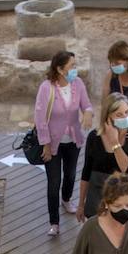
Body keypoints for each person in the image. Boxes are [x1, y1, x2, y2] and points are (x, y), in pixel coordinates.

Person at [34, 50, 94, 237]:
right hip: (52, 142)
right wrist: (45, 143)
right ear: (60, 69)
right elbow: (40, 117)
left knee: (69, 175)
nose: (75, 70)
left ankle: (66, 199)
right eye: (71, 66)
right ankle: (54, 222)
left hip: (73, 140)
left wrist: (88, 113)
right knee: (53, 182)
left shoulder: (78, 84)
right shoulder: (46, 88)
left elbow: (87, 104)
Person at [78, 93, 128, 221]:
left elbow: (127, 168)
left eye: (126, 112)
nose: (125, 117)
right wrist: (81, 204)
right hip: (98, 197)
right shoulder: (94, 137)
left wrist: (115, 143)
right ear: (108, 117)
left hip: (125, 197)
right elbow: (86, 172)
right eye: (119, 115)